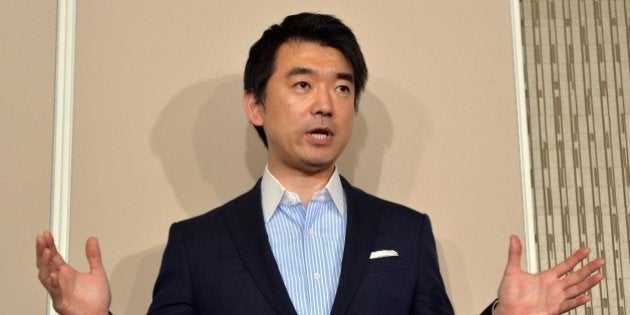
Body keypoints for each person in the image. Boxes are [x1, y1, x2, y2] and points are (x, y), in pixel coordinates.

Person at [36, 12, 605, 315]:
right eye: (303, 84)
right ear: (255, 105)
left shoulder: (406, 234)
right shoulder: (196, 245)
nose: (325, 103)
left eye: (342, 87)